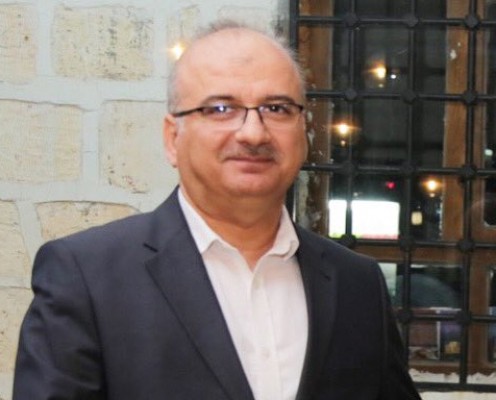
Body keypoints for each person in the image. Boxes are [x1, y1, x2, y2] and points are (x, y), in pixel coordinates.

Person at [13, 20, 421, 400]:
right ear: (172, 138)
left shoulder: (358, 286)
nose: (253, 133)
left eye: (277, 108)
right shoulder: (87, 278)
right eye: (221, 109)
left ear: (303, 131)